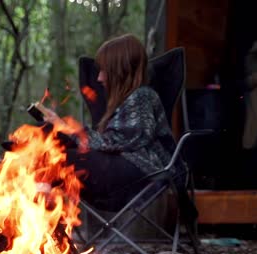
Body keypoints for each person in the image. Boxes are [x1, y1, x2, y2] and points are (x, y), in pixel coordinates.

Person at [40, 33, 188, 211]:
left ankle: (35, 220)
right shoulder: (127, 100)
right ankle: (36, 223)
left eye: (104, 70)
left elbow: (119, 141)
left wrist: (67, 129)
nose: (99, 78)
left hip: (143, 173)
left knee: (56, 157)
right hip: (123, 172)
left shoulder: (142, 97)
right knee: (47, 146)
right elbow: (108, 143)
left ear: (120, 70)